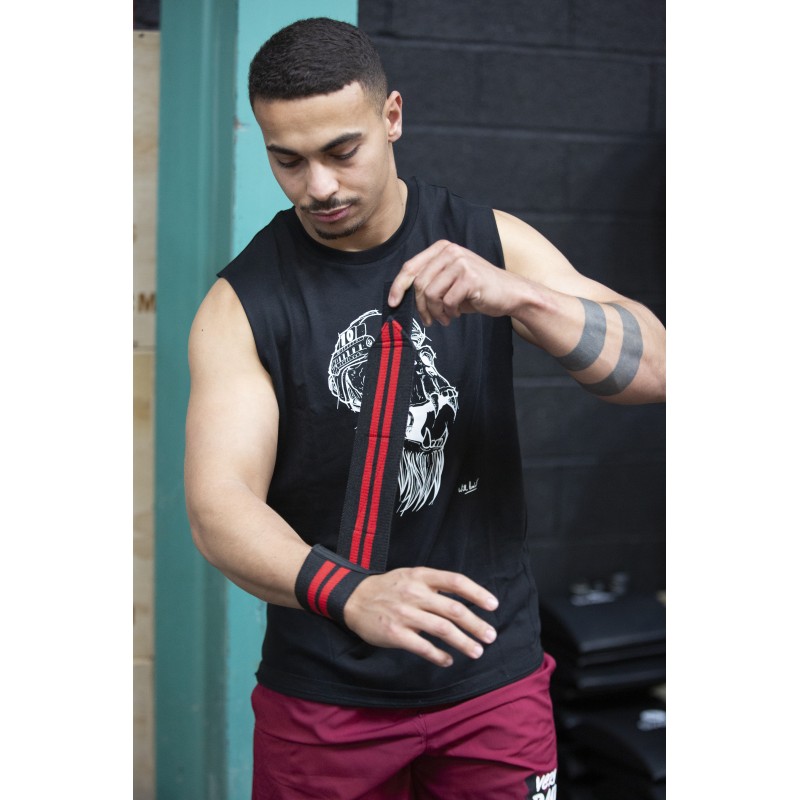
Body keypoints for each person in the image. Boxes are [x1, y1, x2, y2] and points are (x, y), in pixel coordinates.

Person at [184, 16, 666, 800]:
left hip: (491, 681)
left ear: (392, 117)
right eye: (288, 160)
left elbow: (659, 369)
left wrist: (524, 298)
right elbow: (219, 505)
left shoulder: (487, 240)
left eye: (342, 150)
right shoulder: (244, 302)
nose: (319, 187)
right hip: (325, 698)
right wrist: (351, 591)